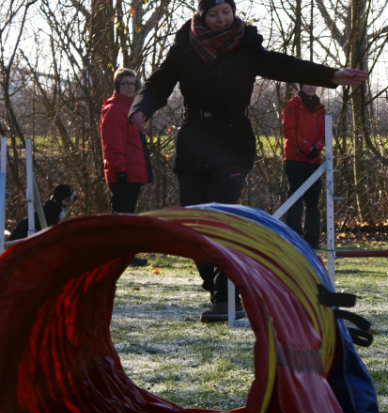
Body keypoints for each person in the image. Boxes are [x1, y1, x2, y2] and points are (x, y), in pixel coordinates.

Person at [129, 0, 367, 323]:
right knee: (192, 222)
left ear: (233, 11)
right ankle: (219, 285)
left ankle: (226, 296)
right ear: (202, 15)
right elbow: (159, 81)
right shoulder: (185, 45)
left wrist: (333, 75)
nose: (221, 18)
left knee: (221, 215)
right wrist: (141, 109)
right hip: (194, 139)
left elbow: (287, 66)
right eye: (213, 13)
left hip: (232, 142)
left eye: (225, 11)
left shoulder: (246, 45)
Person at [100, 67, 153, 266]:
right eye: (126, 84)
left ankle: (124, 254)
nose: (130, 87)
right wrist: (119, 170)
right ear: (117, 86)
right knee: (122, 215)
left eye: (133, 84)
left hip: (134, 171)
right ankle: (118, 255)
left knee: (126, 215)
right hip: (123, 172)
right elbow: (112, 143)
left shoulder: (132, 108)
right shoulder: (114, 109)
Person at [282, 84, 325, 249]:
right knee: (295, 199)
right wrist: (307, 147)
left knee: (313, 201)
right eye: (308, 84)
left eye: (314, 85)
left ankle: (313, 239)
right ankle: (294, 238)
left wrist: (317, 147)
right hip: (295, 159)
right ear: (302, 86)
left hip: (314, 161)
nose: (311, 87)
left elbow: (324, 133)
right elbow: (289, 130)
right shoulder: (293, 105)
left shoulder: (321, 109)